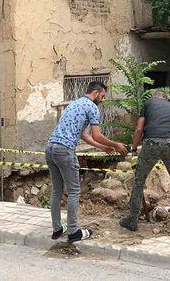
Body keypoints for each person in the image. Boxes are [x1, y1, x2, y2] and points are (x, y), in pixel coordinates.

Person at [46, 81, 127, 243]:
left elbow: (84, 135)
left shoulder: (73, 104)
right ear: (96, 93)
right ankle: (74, 231)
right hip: (65, 150)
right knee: (74, 191)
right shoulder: (92, 107)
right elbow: (97, 135)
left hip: (50, 148)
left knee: (57, 191)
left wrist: (103, 147)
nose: (103, 100)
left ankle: (57, 229)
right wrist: (115, 144)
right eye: (103, 96)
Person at [119, 91, 170, 238]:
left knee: (139, 181)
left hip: (151, 142)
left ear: (155, 97)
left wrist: (133, 148)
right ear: (164, 98)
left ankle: (132, 220)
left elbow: (139, 129)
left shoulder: (149, 103)